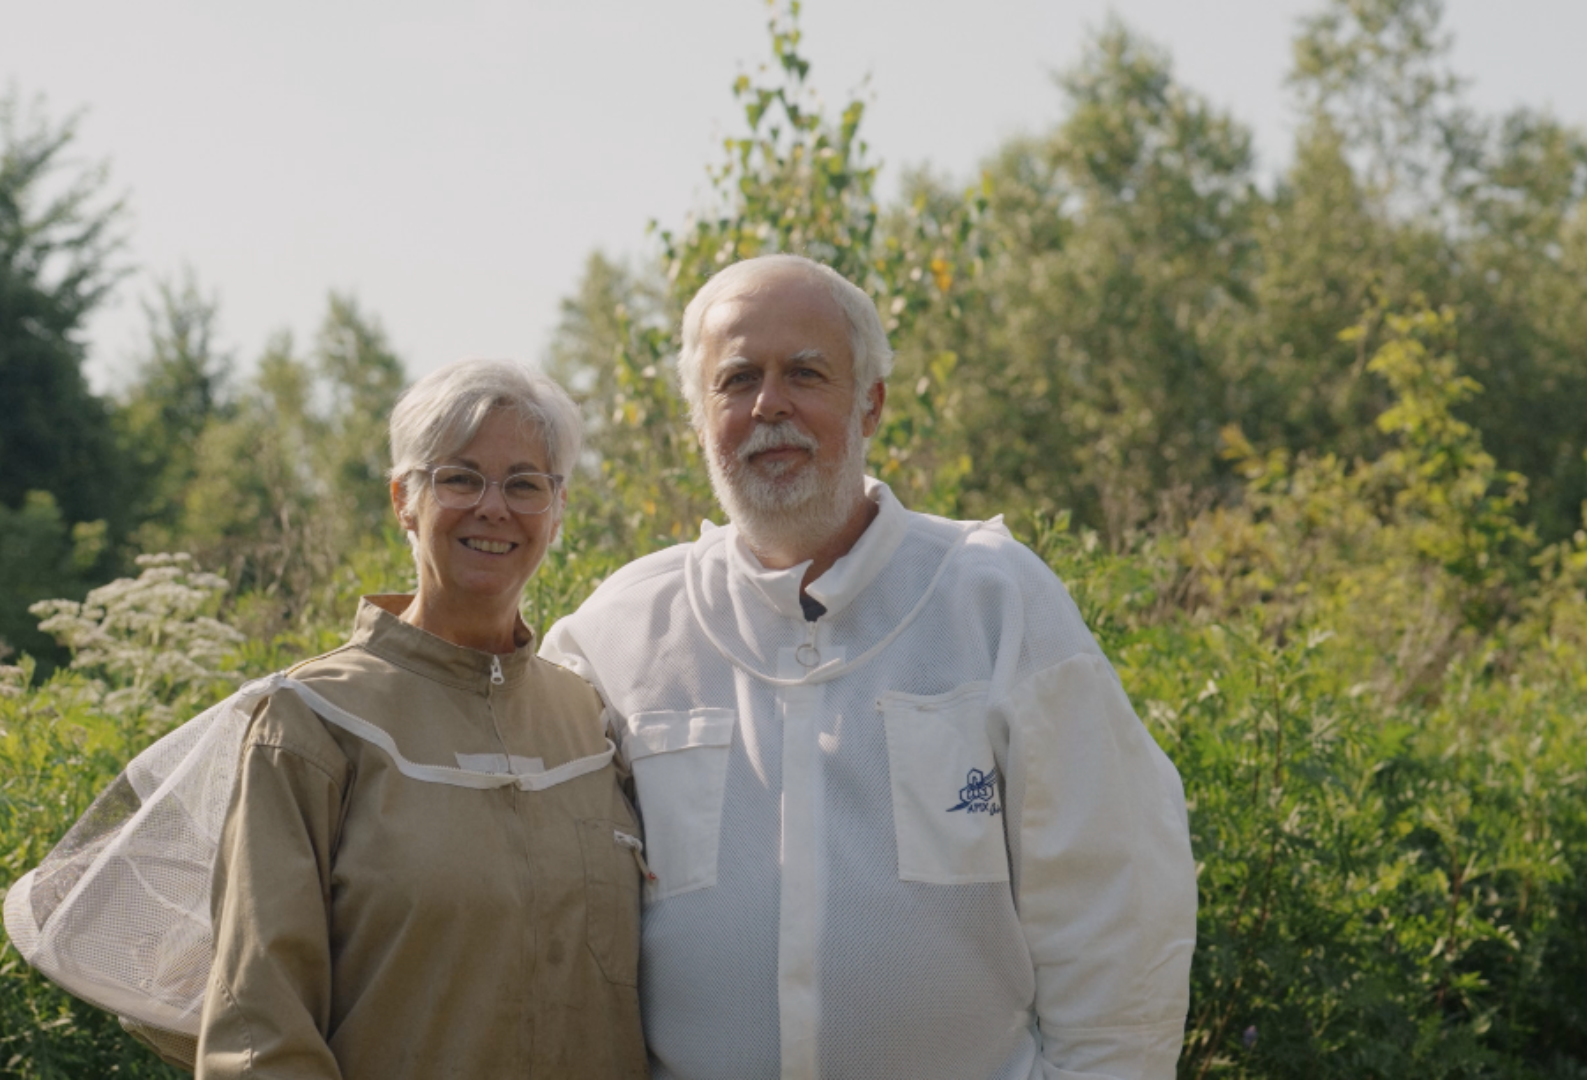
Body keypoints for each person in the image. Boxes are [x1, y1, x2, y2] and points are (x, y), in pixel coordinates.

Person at [540, 254, 1196, 1080]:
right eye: (736, 380)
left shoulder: (993, 601)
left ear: (871, 403)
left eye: (805, 374)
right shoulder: (621, 633)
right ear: (698, 421)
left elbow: (1117, 909)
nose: (769, 405)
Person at [193, 359, 649, 1079]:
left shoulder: (589, 717)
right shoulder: (313, 721)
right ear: (404, 499)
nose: (493, 508)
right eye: (460, 478)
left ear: (558, 510)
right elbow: (259, 1030)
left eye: (525, 484)